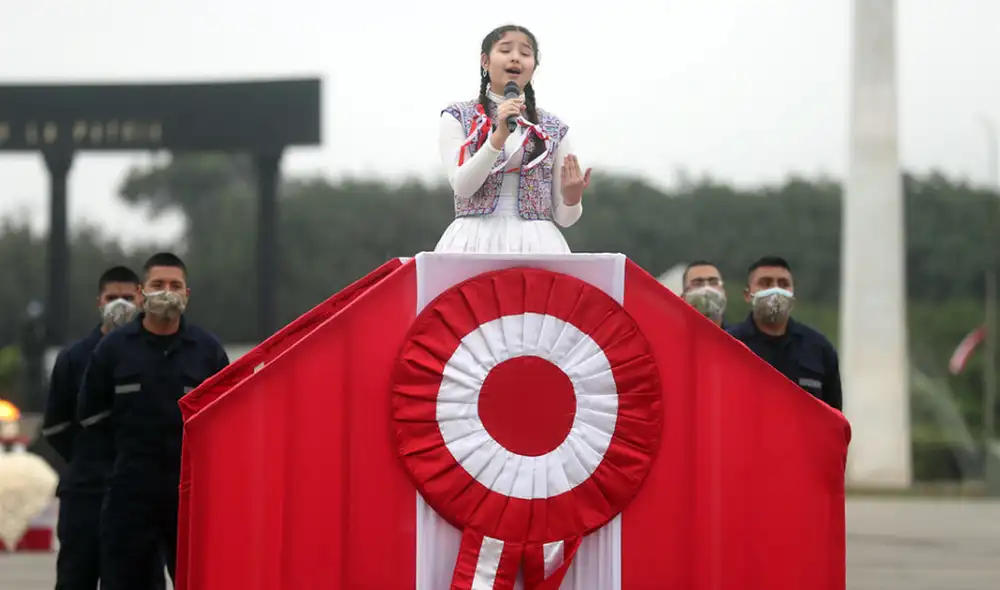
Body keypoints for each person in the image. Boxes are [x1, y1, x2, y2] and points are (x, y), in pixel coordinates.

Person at [77, 253, 229, 589]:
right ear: (142, 293)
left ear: (186, 294)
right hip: (128, 497)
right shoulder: (113, 350)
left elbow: (226, 424)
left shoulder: (207, 351)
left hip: (189, 499)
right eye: (158, 284)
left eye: (175, 285)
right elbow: (91, 418)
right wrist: (113, 471)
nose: (166, 291)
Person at [42, 266, 167, 590]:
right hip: (86, 492)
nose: (120, 305)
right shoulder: (74, 358)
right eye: (113, 298)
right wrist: (89, 455)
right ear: (99, 301)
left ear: (141, 299)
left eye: (128, 297)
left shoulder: (155, 352)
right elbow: (56, 425)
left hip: (141, 493)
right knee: (76, 576)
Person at [435, 24, 592, 254]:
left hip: (537, 244)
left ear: (533, 67)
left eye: (525, 54)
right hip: (474, 241)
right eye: (506, 50)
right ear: (485, 61)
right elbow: (463, 186)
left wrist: (572, 198)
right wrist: (498, 136)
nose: (516, 58)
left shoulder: (553, 128)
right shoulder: (458, 117)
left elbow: (565, 218)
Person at [726, 256, 843, 411]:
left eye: (783, 284)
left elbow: (833, 418)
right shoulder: (727, 345)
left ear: (793, 295)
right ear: (747, 295)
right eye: (765, 283)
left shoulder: (819, 349)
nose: (776, 291)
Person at [680, 260, 727, 327]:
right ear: (683, 298)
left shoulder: (739, 336)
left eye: (713, 282)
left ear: (725, 294)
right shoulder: (671, 336)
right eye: (697, 283)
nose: (707, 289)